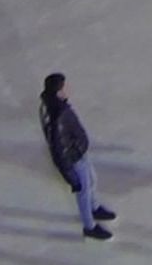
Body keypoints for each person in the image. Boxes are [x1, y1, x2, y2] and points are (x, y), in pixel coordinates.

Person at [38, 73, 116, 240]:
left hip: (79, 152)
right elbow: (58, 151)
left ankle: (94, 207)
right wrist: (71, 177)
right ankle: (89, 226)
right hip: (73, 158)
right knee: (83, 191)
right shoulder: (57, 116)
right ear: (58, 91)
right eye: (64, 87)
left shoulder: (59, 106)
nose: (68, 89)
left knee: (92, 180)